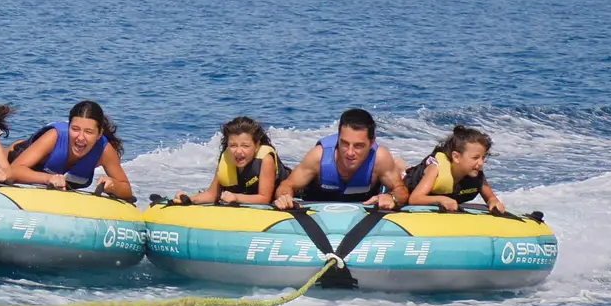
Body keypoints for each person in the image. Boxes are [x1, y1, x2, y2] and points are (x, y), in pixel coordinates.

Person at [273, 108, 408, 211]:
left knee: (400, 174)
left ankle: (400, 166)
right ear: (338, 138)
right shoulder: (318, 156)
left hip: (363, 209)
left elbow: (401, 190)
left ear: (371, 142)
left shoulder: (380, 158)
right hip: (319, 206)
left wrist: (392, 198)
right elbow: (287, 185)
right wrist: (284, 197)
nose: (350, 152)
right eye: (344, 143)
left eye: (358, 146)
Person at [5, 100, 135, 201]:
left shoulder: (104, 151)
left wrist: (113, 185)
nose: (80, 137)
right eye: (75, 129)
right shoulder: (55, 136)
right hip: (4, 160)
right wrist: (49, 178)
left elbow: (126, 189)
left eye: (89, 132)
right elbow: (13, 170)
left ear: (99, 134)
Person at [174, 116, 281, 205]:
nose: (238, 151)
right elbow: (211, 195)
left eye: (245, 146)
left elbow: (264, 198)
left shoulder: (266, 159)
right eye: (233, 145)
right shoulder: (226, 159)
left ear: (257, 145)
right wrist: (189, 199)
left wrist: (236, 197)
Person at [405, 124, 507, 214]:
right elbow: (414, 198)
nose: (481, 163)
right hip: (408, 181)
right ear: (456, 157)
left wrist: (494, 202)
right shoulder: (436, 169)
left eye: (483, 157)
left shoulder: (476, 174)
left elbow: (491, 198)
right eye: (475, 158)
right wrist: (441, 199)